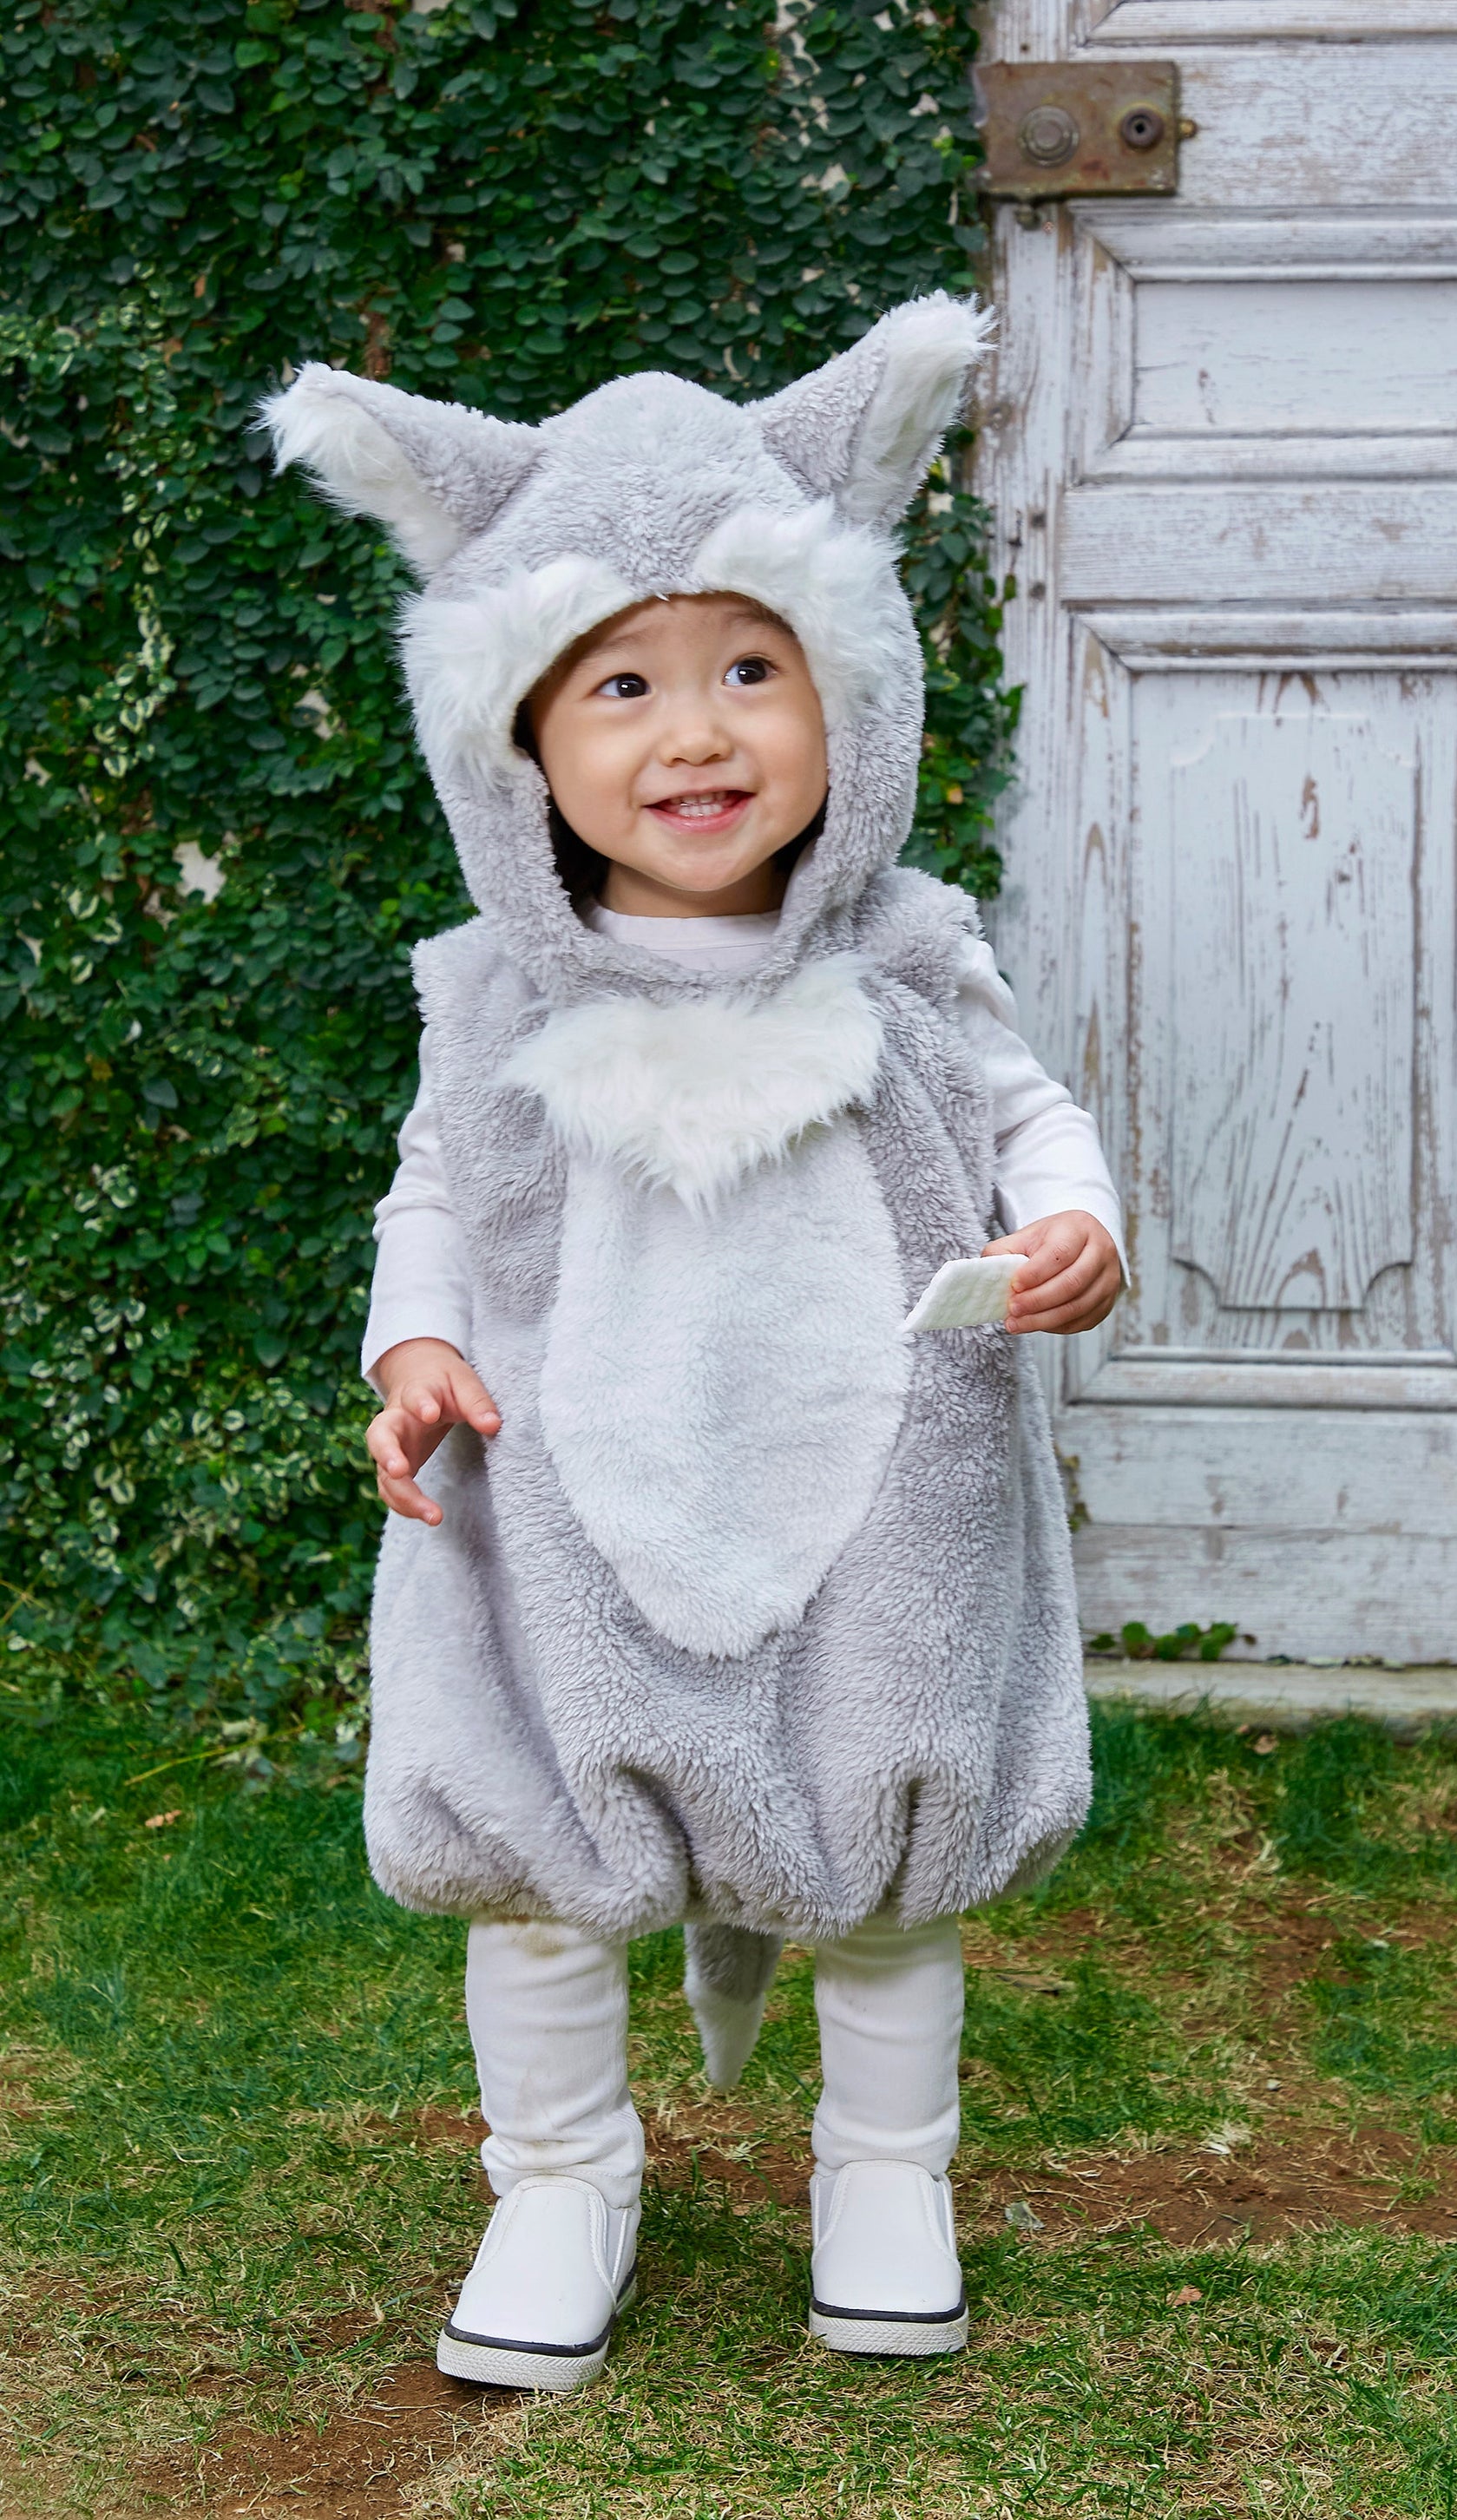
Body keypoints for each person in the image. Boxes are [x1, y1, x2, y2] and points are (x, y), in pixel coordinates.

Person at [263, 297, 1124, 2396]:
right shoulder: (499, 996)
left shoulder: (906, 955)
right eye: (622, 686)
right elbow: (432, 1194)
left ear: (849, 696)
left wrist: (1074, 1221)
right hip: (571, 1491)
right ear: (521, 748)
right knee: (540, 1861)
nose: (696, 735)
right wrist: (413, 1354)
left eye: (753, 668)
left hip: (874, 1483)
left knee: (888, 1837)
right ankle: (559, 2178)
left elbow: (1021, 1113)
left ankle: (886, 2175)